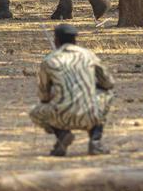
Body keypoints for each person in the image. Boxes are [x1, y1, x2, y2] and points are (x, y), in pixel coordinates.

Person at [29, 24, 115, 156]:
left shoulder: (49, 60)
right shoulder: (89, 55)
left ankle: (62, 134)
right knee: (107, 95)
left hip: (61, 117)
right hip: (91, 114)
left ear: (56, 40)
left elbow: (44, 96)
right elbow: (108, 84)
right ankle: (95, 140)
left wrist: (55, 94)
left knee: (35, 112)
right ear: (75, 40)